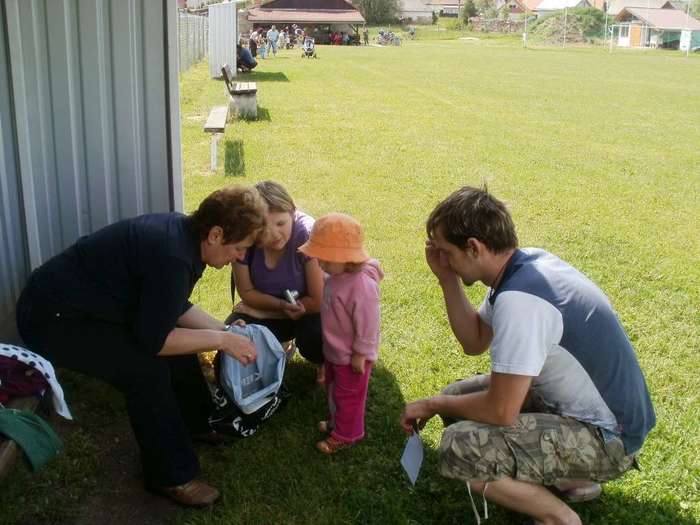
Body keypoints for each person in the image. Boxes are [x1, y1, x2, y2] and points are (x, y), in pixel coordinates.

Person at [400, 186, 656, 525]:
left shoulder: (521, 301)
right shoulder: (524, 266)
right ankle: (569, 480)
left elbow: (501, 410)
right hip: (585, 414)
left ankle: (560, 517)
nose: (442, 259)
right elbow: (475, 341)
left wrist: (432, 404)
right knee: (455, 400)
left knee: (461, 446)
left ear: (474, 247)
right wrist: (448, 280)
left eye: (446, 252)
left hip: (610, 440)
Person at [15, 186, 268, 507]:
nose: (241, 256)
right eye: (241, 247)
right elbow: (155, 341)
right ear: (216, 234)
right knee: (145, 371)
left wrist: (224, 329)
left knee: (178, 344)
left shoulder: (186, 238)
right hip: (51, 319)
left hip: (87, 307)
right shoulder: (174, 255)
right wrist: (222, 340)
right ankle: (171, 476)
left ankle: (199, 422)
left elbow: (171, 306)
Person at [298, 213, 383, 454]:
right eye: (319, 258)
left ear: (346, 258)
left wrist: (361, 354)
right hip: (335, 351)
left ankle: (347, 434)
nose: (320, 264)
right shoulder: (336, 275)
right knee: (334, 389)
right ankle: (337, 421)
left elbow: (368, 325)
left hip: (352, 357)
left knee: (349, 396)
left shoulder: (362, 286)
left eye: (326, 259)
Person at [229, 181, 325, 382]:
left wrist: (263, 312)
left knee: (316, 335)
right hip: (276, 307)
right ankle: (273, 351)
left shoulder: (307, 234)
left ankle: (324, 362)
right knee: (235, 332)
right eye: (263, 228)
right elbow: (246, 292)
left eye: (281, 223)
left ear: (293, 213)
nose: (273, 235)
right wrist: (281, 307)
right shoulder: (244, 237)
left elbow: (318, 300)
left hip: (310, 312)